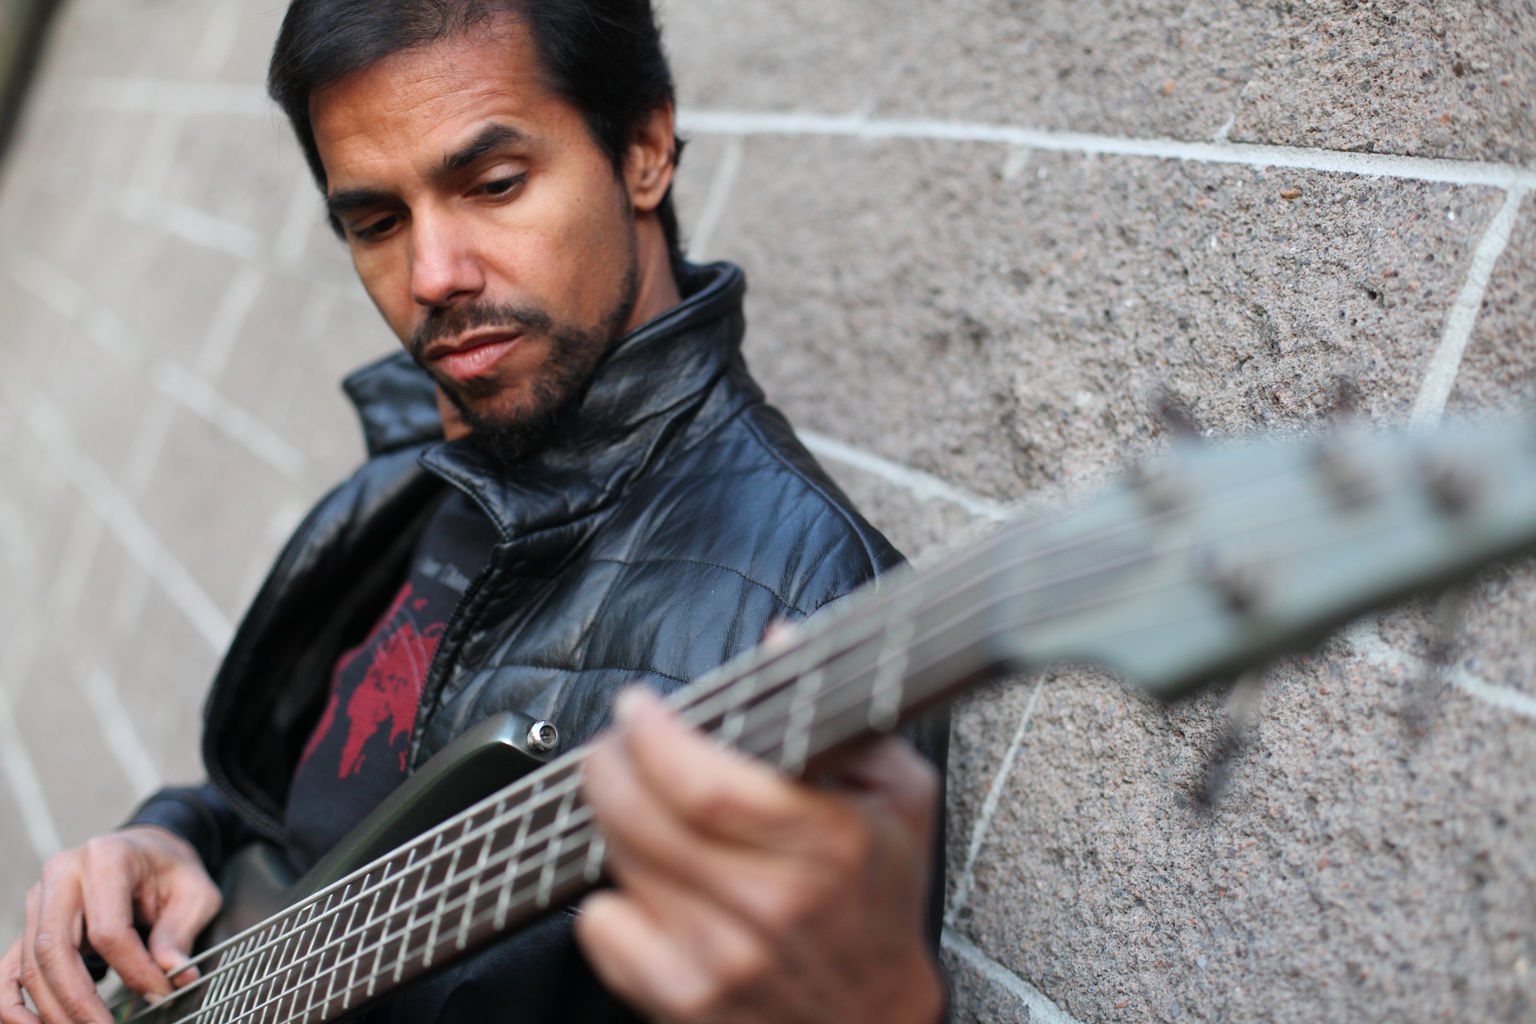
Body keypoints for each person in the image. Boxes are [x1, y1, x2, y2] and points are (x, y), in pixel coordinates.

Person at [0, 2, 949, 1022]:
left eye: (493, 185)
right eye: (376, 223)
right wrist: (170, 838)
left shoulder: (808, 611)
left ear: (643, 149)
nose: (432, 276)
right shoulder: (422, 471)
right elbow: (293, 822)